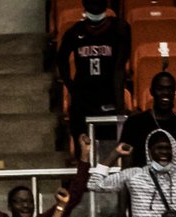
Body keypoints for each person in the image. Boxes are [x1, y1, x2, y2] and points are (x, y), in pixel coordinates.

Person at [56, 2, 132, 158]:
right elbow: (61, 59)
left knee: (109, 154)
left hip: (109, 99)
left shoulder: (119, 29)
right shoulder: (75, 31)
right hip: (83, 102)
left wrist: (119, 105)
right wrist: (71, 87)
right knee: (83, 153)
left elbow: (120, 68)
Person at [119, 71, 176, 167]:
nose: (165, 93)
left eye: (170, 89)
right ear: (152, 92)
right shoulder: (134, 123)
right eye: (160, 89)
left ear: (175, 92)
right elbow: (126, 163)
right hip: (141, 175)